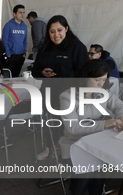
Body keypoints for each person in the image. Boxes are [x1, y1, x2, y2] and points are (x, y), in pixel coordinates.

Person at [58, 59, 123, 195]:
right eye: (97, 80)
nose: (101, 84)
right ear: (85, 78)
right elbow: (72, 128)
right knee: (94, 162)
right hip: (73, 143)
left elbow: (120, 105)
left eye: (103, 80)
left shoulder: (102, 93)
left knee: (96, 160)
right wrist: (104, 124)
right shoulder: (68, 96)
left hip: (96, 141)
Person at [31, 15, 89, 160]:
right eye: (52, 31)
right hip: (48, 94)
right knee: (50, 124)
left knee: (68, 127)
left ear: (66, 29)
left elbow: (85, 74)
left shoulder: (77, 46)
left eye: (59, 30)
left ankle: (71, 156)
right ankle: (49, 148)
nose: (56, 35)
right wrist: (42, 73)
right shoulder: (46, 46)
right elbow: (34, 71)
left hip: (69, 96)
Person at [2, 4, 27, 77]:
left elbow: (25, 41)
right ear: (14, 14)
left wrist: (24, 52)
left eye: (23, 12)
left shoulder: (24, 26)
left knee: (16, 76)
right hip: (11, 56)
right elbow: (4, 40)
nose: (22, 14)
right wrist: (8, 53)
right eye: (20, 12)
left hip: (20, 55)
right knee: (8, 77)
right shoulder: (8, 25)